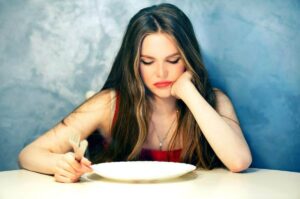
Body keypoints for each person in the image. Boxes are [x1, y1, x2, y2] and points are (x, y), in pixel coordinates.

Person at [18, 3, 252, 183]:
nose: (161, 72)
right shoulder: (109, 104)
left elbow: (239, 161)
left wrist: (188, 91)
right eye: (148, 62)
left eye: (173, 60)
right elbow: (29, 154)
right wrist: (61, 164)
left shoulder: (215, 101)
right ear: (133, 64)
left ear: (189, 59)